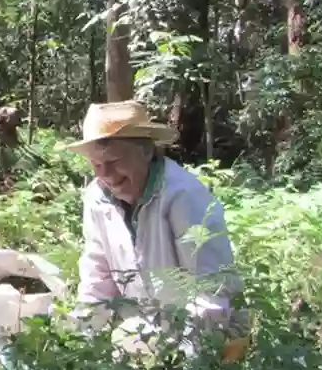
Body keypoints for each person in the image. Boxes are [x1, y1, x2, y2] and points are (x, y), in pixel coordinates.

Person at [66, 101, 244, 350]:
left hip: (196, 335)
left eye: (114, 161)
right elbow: (98, 275)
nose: (105, 174)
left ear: (147, 152)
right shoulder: (96, 196)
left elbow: (210, 288)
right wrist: (83, 340)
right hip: (140, 332)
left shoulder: (184, 196)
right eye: (96, 165)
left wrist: (190, 362)